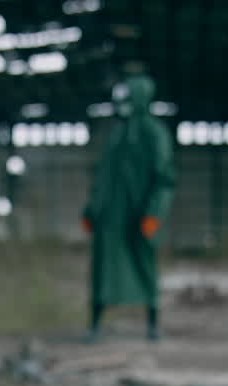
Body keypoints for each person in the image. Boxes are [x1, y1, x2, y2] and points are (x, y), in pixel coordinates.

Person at [81, 74, 175, 342]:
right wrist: (91, 210)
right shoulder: (116, 135)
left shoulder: (154, 133)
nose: (121, 104)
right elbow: (102, 178)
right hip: (109, 219)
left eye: (127, 98)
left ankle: (153, 323)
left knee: (144, 265)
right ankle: (95, 325)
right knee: (103, 270)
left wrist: (154, 214)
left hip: (139, 217)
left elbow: (164, 179)